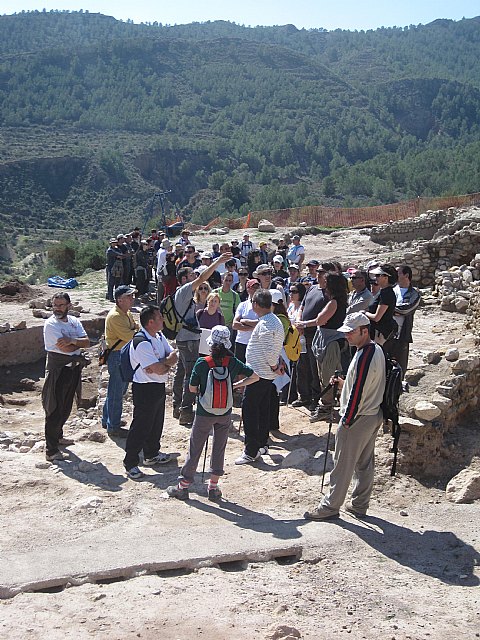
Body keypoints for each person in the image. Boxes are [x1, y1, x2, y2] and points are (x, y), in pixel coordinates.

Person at [304, 312, 386, 520]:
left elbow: (358, 391)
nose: (347, 336)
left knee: (342, 465)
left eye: (351, 332)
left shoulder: (365, 355)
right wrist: (342, 384)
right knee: (365, 464)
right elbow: (361, 385)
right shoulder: (374, 350)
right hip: (371, 414)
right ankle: (359, 505)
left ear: (364, 331)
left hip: (357, 417)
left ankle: (330, 507)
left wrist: (346, 420)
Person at [166, 326, 259, 500]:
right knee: (219, 447)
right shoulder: (232, 362)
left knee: (195, 448)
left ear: (210, 344)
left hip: (204, 412)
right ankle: (213, 488)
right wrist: (234, 386)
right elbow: (255, 377)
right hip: (225, 412)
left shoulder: (202, 363)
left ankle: (183, 486)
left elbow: (192, 388)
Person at [173, 252, 232, 426]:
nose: (194, 277)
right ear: (184, 279)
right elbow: (204, 277)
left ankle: (178, 406)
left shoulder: (181, 294)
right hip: (189, 339)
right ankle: (186, 411)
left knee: (181, 372)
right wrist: (218, 262)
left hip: (183, 337)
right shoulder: (185, 291)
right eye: (191, 275)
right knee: (190, 374)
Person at [123, 305, 178, 480]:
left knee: (156, 423)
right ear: (150, 322)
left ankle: (151, 454)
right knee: (141, 426)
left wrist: (163, 364)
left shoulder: (159, 336)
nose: (163, 319)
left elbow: (173, 357)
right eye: (160, 317)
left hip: (157, 386)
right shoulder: (141, 342)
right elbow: (158, 368)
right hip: (144, 388)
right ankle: (130, 462)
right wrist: (163, 364)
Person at [236, 289, 284, 465]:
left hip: (259, 373)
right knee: (263, 408)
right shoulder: (274, 320)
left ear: (256, 305)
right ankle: (262, 443)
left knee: (249, 410)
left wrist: (274, 365)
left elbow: (269, 351)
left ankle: (251, 451)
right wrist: (275, 365)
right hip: (265, 373)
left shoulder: (265, 324)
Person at [42, 292, 90, 461]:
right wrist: (75, 343)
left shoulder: (74, 322)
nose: (57, 308)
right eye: (55, 305)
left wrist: (71, 340)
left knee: (66, 404)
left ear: (69, 305)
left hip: (73, 368)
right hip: (59, 369)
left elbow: (86, 342)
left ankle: (59, 436)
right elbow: (67, 350)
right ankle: (51, 449)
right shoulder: (51, 325)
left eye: (61, 305)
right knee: (54, 407)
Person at [296, 273, 348, 422]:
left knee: (327, 375)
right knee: (325, 374)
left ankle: (326, 406)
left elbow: (321, 320)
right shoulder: (336, 301)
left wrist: (304, 324)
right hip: (328, 339)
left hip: (331, 342)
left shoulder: (334, 303)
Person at [102, 285, 139, 437]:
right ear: (120, 300)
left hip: (122, 354)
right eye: (129, 296)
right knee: (117, 391)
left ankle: (108, 419)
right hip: (117, 355)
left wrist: (135, 330)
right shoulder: (116, 317)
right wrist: (135, 331)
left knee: (117, 390)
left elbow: (135, 328)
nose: (132, 299)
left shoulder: (126, 313)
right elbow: (131, 336)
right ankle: (113, 426)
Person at [293, 265, 329, 410]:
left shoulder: (329, 293)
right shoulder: (312, 288)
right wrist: (299, 322)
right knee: (302, 366)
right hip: (302, 334)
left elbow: (323, 318)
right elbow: (301, 307)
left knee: (314, 369)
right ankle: (304, 396)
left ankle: (315, 398)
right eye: (318, 272)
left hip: (316, 336)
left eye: (321, 272)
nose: (318, 274)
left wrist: (304, 325)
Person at [391, 265, 421, 378]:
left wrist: (389, 309)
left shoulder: (414, 293)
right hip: (388, 333)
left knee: (400, 365)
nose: (395, 275)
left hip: (403, 335)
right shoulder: (392, 290)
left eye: (398, 273)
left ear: (406, 275)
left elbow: (407, 310)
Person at [365, 264, 398, 351]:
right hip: (376, 331)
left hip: (380, 333)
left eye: (378, 275)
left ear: (386, 277)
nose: (375, 278)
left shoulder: (386, 294)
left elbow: (377, 317)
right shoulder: (383, 292)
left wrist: (364, 313)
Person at [232, 279, 260, 363]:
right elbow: (235, 325)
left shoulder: (263, 306)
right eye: (253, 287)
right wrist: (253, 327)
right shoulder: (242, 305)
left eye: (258, 287)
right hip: (241, 342)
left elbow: (261, 323)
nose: (256, 289)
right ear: (248, 289)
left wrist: (244, 321)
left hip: (256, 344)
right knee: (239, 371)